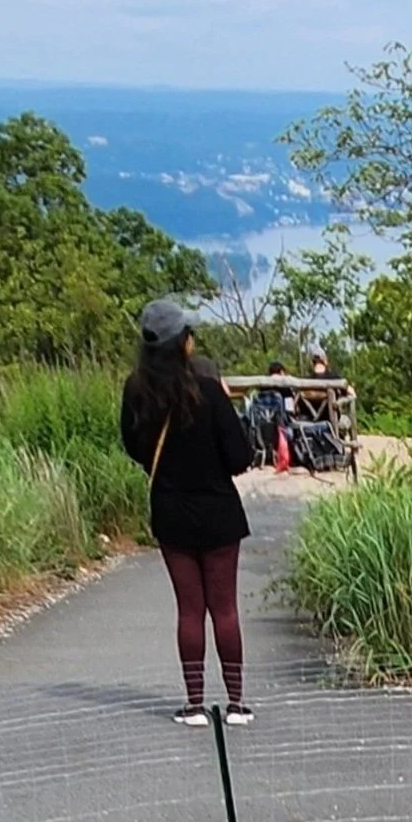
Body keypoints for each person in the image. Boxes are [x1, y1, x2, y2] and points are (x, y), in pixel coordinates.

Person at [120, 298, 259, 728]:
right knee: (225, 609)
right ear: (182, 342)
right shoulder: (209, 391)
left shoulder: (135, 390)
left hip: (171, 510)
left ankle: (195, 704)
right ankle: (236, 705)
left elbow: (133, 446)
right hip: (218, 510)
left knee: (189, 609)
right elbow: (239, 456)